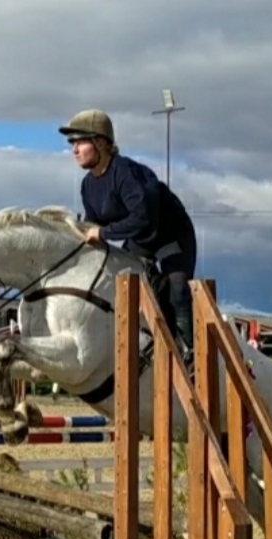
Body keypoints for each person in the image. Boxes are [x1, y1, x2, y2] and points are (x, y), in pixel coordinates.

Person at [58, 108, 198, 367]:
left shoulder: (126, 173)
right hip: (140, 239)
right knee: (126, 285)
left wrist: (102, 232)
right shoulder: (88, 185)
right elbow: (94, 227)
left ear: (101, 144)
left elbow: (142, 218)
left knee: (176, 287)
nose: (74, 150)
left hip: (170, 234)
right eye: (72, 144)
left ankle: (191, 355)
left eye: (80, 142)